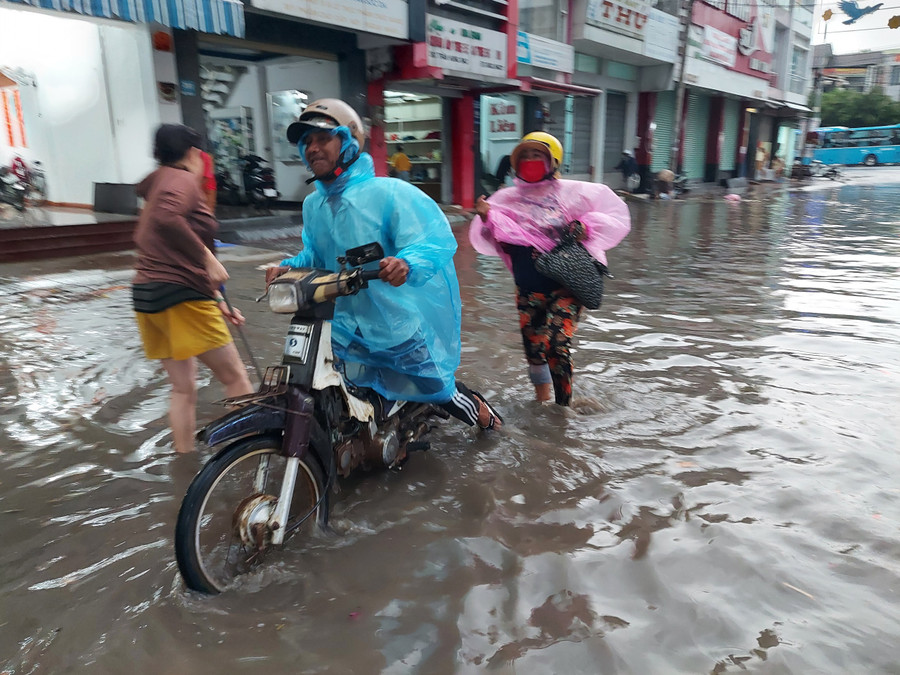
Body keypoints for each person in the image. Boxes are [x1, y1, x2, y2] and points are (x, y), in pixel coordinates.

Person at [271, 98, 502, 430]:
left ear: (348, 140)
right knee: (338, 393)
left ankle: (487, 420)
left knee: (438, 390)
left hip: (393, 325)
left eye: (322, 138)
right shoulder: (313, 205)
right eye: (306, 141)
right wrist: (288, 266)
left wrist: (406, 262)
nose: (312, 148)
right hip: (344, 325)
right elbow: (315, 254)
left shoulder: (390, 193)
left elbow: (433, 239)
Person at [469, 132, 631, 406]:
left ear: (552, 161)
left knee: (556, 344)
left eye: (538, 155)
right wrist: (486, 217)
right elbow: (491, 240)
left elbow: (613, 215)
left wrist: (585, 226)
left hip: (565, 285)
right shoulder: (505, 199)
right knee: (534, 349)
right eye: (525, 156)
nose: (531, 161)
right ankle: (541, 403)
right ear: (515, 163)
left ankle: (563, 408)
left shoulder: (572, 194)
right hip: (527, 287)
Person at [132, 124, 254, 454]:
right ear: (192, 154)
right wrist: (208, 259)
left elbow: (165, 245)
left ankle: (183, 461)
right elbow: (167, 219)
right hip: (180, 296)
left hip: (148, 297)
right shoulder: (182, 179)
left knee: (183, 388)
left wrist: (218, 300)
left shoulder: (158, 181)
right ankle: (252, 451)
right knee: (236, 378)